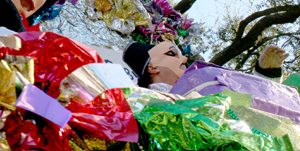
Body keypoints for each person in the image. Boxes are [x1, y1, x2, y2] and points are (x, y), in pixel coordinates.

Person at [123, 41, 289, 92]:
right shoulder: (147, 102)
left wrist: (267, 73)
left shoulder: (206, 87)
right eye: (172, 54)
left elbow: (254, 108)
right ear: (153, 68)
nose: (185, 58)